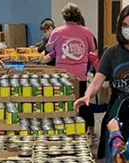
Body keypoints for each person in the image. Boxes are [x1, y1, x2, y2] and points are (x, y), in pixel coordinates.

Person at [73, 4, 129, 159]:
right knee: (115, 162)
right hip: (118, 113)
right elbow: (97, 81)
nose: (128, 29)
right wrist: (87, 95)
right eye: (125, 25)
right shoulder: (112, 53)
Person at [43, 3, 96, 138]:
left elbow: (50, 49)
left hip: (62, 75)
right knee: (83, 103)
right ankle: (88, 131)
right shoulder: (86, 31)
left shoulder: (57, 32)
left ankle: (63, 131)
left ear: (64, 17)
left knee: (62, 103)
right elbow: (91, 49)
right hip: (80, 75)